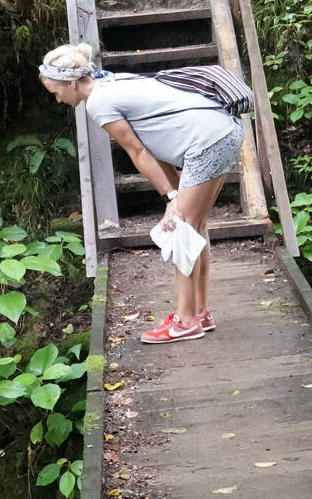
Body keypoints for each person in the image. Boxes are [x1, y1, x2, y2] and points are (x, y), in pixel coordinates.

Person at [39, 41, 243, 343]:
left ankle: (186, 320)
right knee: (195, 226)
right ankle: (199, 313)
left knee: (181, 229)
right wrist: (174, 191)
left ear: (70, 83)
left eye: (56, 92)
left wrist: (172, 199)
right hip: (225, 130)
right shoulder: (113, 80)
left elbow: (137, 152)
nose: (57, 100)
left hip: (207, 141)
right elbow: (154, 139)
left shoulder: (98, 102)